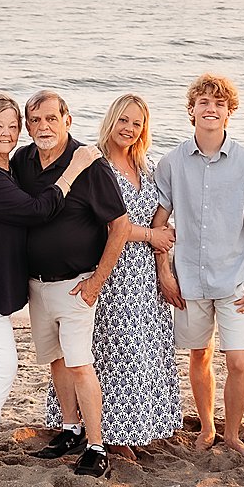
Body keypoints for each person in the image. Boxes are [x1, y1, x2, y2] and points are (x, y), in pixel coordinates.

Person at [0, 93, 99, 465]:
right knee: (1, 367)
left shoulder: (1, 166)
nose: (8, 133)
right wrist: (74, 167)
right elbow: (37, 210)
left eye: (14, 126)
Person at [151, 73, 244, 458]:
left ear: (229, 113)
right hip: (190, 277)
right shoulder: (171, 163)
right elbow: (159, 223)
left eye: (219, 104)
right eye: (204, 102)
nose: (211, 109)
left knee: (237, 360)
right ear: (191, 111)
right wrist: (164, 271)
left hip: (236, 278)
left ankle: (232, 433)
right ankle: (207, 426)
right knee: (199, 355)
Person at [13, 91, 129, 479]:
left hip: (77, 285)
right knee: (56, 361)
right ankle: (70, 429)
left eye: (50, 119)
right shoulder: (22, 161)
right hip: (37, 284)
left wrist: (98, 280)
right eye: (35, 121)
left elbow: (120, 226)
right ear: (27, 125)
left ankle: (96, 446)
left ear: (68, 119)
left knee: (80, 364)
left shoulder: (90, 164)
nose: (43, 127)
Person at [87, 93, 181, 458]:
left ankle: (139, 423)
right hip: (113, 269)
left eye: (137, 123)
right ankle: (113, 434)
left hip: (145, 273)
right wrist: (150, 236)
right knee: (115, 349)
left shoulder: (148, 167)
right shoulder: (96, 165)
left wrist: (164, 267)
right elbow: (103, 225)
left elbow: (160, 220)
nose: (129, 128)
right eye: (123, 120)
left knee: (145, 349)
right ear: (111, 120)